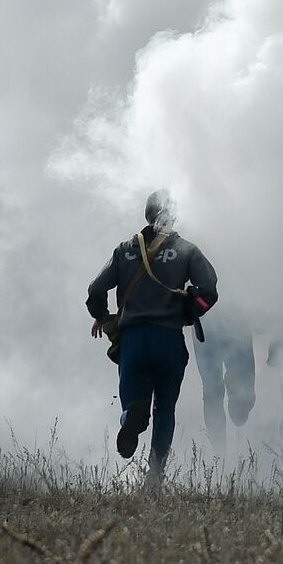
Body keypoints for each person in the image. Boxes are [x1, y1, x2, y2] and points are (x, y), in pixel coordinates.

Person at [86, 190, 218, 488]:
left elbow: (96, 289)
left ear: (147, 215)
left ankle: (130, 420)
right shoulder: (187, 250)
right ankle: (155, 475)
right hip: (169, 339)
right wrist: (189, 311)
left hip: (133, 340)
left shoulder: (125, 249)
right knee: (166, 409)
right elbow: (209, 290)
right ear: (173, 215)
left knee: (134, 401)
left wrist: (100, 314)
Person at [193, 300, 256, 455]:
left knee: (215, 392)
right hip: (210, 322)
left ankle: (219, 450)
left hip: (228, 320)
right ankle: (219, 451)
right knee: (212, 391)